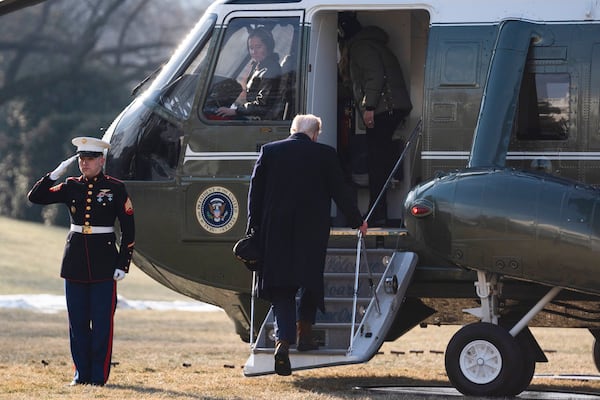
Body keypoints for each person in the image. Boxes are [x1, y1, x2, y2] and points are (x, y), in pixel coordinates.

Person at [247, 114, 368, 376]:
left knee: (282, 288)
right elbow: (340, 190)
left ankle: (283, 341)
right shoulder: (324, 154)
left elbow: (255, 192)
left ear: (293, 130)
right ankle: (305, 335)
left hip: (275, 231)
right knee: (310, 281)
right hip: (311, 231)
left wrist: (253, 228)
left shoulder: (270, 151)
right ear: (315, 134)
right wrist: (357, 221)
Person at [27, 136, 135, 386]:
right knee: (77, 322)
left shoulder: (116, 188)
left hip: (104, 262)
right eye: (81, 160)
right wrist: (54, 174)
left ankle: (98, 376)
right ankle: (81, 374)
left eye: (89, 159)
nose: (83, 164)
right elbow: (36, 197)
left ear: (101, 160)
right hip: (75, 259)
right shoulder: (70, 185)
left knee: (101, 323)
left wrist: (122, 264)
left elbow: (129, 230)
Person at [338, 12, 413, 226]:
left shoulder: (360, 48)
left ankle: (375, 213)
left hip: (383, 109)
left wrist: (368, 106)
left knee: (376, 163)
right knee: (379, 160)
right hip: (391, 108)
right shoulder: (372, 43)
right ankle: (377, 210)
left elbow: (375, 76)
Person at [215, 27, 282, 120]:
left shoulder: (271, 70)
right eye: (251, 48)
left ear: (268, 46)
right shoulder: (258, 67)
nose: (254, 52)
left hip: (260, 121)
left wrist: (236, 111)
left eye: (258, 47)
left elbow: (262, 105)